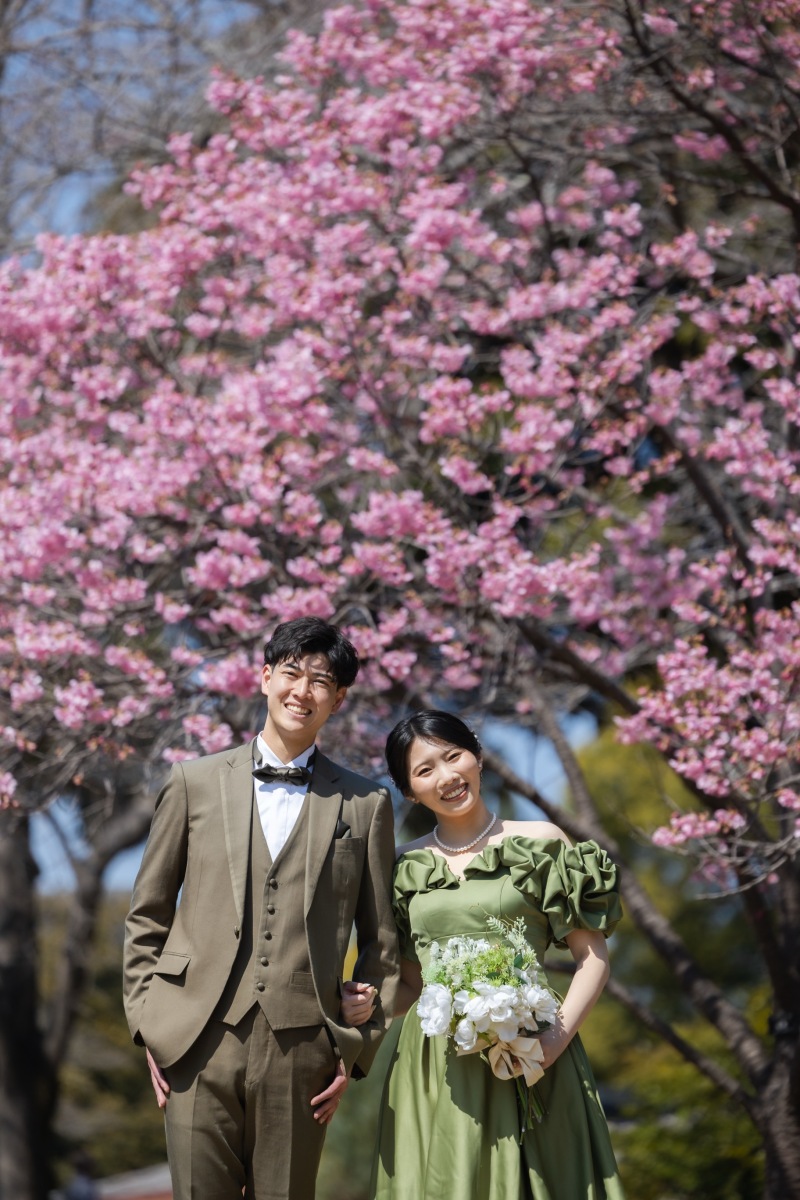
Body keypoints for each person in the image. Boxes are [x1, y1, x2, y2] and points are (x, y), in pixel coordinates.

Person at [123, 616, 400, 1200]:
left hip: (305, 1050)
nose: (303, 691)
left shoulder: (367, 802)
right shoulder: (192, 782)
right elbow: (147, 912)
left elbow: (384, 942)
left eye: (321, 681)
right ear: (266, 676)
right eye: (292, 673)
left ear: (339, 698)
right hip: (194, 1040)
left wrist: (359, 1044)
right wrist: (148, 1024)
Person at [364, 709, 625, 1200]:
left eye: (453, 756)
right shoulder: (402, 866)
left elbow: (594, 960)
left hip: (536, 1049)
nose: (447, 777)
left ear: (477, 756)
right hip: (436, 1065)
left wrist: (551, 1042)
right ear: (406, 790)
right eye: (424, 771)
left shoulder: (541, 842)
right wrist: (358, 1010)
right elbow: (413, 987)